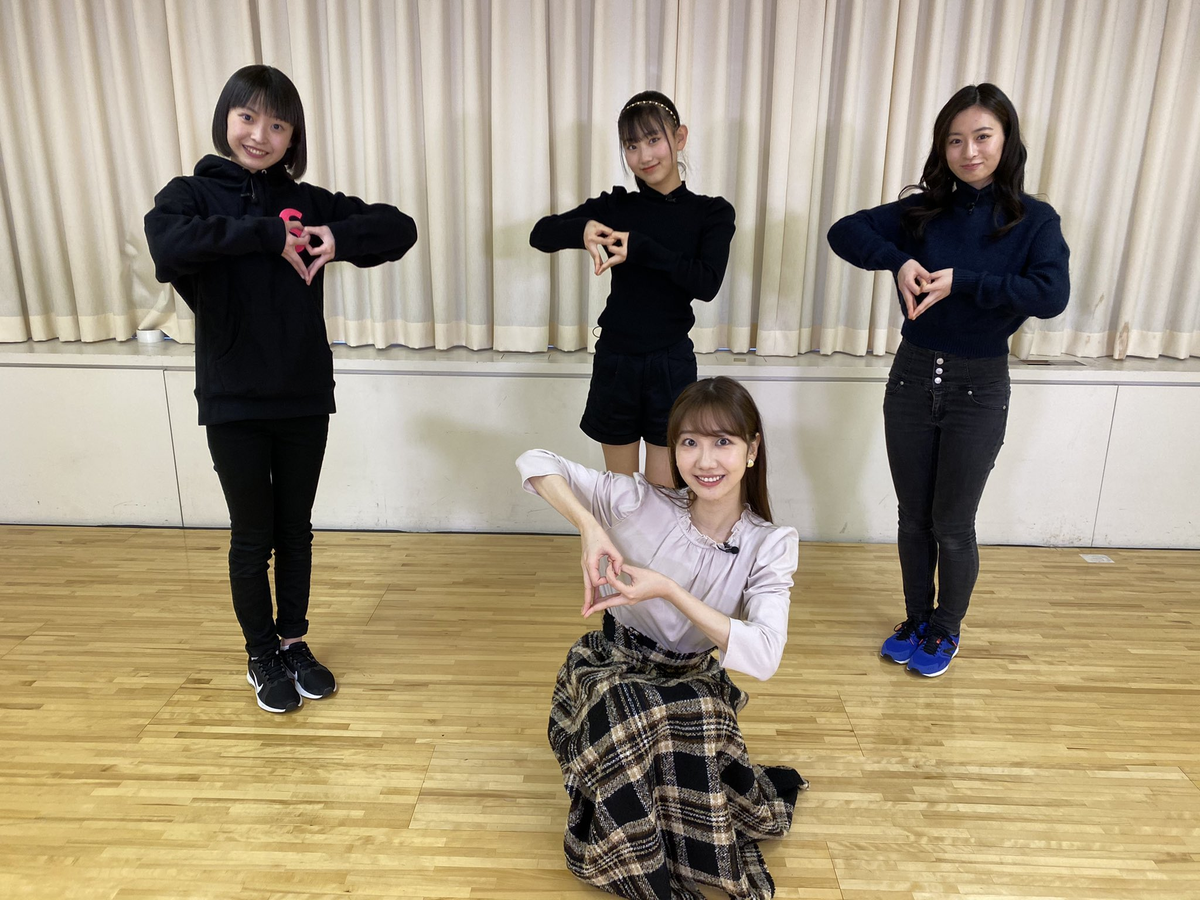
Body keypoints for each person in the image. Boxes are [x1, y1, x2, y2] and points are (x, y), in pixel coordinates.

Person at [145, 65, 417, 712]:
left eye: (277, 124)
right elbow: (168, 248)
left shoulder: (309, 200)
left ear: (293, 136)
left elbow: (398, 228)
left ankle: (293, 641)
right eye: (248, 117)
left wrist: (337, 238)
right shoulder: (191, 194)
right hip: (233, 395)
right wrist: (268, 233)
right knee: (252, 535)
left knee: (295, 530)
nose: (259, 135)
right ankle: (260, 651)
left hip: (302, 390)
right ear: (226, 118)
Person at [517, 376, 805, 900]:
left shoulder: (770, 543)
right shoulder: (640, 500)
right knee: (622, 706)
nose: (705, 460)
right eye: (689, 442)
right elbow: (534, 462)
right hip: (616, 661)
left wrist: (670, 590)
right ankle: (635, 854)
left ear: (752, 449)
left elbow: (764, 656)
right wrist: (589, 526)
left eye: (723, 442)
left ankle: (668, 834)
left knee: (652, 712)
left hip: (691, 677)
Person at [827, 83, 1070, 677]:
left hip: (978, 387)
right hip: (910, 379)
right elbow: (843, 231)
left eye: (982, 137)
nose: (969, 151)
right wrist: (898, 259)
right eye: (955, 140)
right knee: (913, 517)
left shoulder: (1033, 220)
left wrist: (966, 281)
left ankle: (945, 628)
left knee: (953, 524)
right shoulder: (921, 212)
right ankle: (916, 618)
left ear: (1006, 141)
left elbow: (1051, 295)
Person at [529, 91, 735, 486]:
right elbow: (541, 234)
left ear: (679, 137)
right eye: (632, 145)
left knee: (663, 495)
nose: (644, 155)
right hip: (617, 360)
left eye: (654, 139)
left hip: (671, 362)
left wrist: (641, 248)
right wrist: (582, 229)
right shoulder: (617, 206)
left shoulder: (711, 212)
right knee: (619, 491)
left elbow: (706, 283)